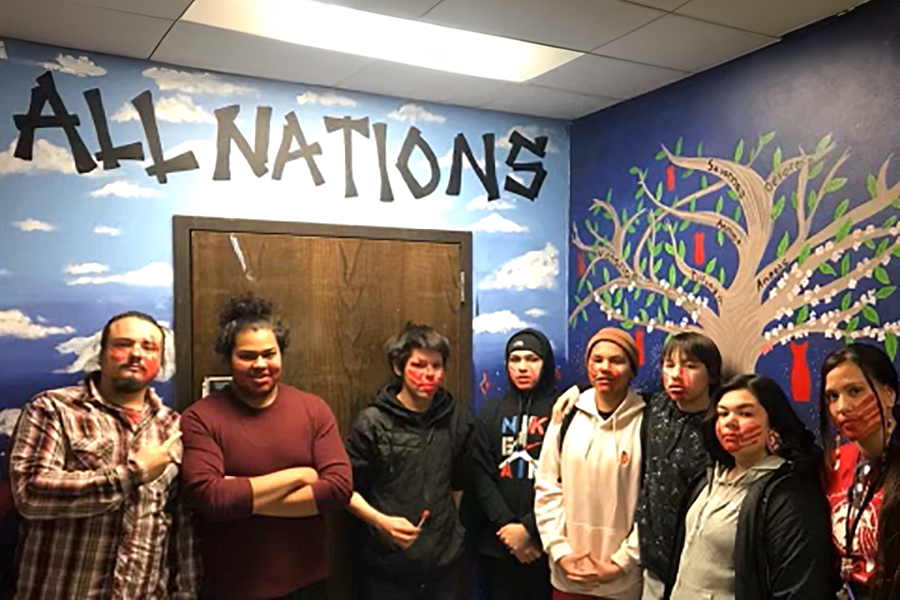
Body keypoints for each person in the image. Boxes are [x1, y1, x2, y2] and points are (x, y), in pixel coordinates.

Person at [9, 311, 199, 599]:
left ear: (159, 362)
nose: (136, 354)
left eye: (149, 347)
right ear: (101, 354)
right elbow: (31, 495)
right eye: (124, 344)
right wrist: (132, 474)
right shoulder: (53, 408)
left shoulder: (173, 427)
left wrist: (186, 592)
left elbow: (180, 527)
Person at [180, 294, 352, 600]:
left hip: (307, 585)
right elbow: (210, 499)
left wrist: (239, 497)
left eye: (269, 354)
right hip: (231, 588)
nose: (260, 364)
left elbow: (338, 490)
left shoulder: (313, 409)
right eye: (247, 356)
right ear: (229, 358)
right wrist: (299, 475)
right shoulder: (200, 417)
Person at [552, 332, 722, 599]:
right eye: (669, 365)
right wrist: (575, 393)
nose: (677, 375)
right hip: (653, 569)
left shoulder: (721, 427)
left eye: (690, 366)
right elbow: (609, 392)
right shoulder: (656, 409)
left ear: (711, 374)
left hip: (700, 568)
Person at [668, 374, 834, 599]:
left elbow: (798, 588)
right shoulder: (708, 479)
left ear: (772, 425)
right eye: (723, 413)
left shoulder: (789, 495)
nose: (729, 422)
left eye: (745, 413)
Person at [345, 322, 472, 600]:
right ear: (399, 367)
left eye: (436, 366)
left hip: (444, 565)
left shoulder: (456, 418)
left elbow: (459, 482)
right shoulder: (372, 422)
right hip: (387, 567)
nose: (428, 374)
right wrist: (381, 522)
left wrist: (452, 529)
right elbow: (344, 489)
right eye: (419, 365)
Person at [535, 327, 645, 600]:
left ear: (631, 368)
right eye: (597, 360)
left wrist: (623, 561)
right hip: (567, 576)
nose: (604, 368)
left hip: (622, 582)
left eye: (616, 360)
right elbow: (547, 487)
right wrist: (560, 551)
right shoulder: (567, 415)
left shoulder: (647, 422)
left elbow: (652, 504)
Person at [472, 328, 557, 600]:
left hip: (546, 543)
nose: (522, 367)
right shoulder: (489, 413)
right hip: (499, 544)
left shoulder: (563, 412)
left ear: (546, 364)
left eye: (532, 359)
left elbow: (569, 479)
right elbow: (481, 475)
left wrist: (529, 529)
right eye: (515, 359)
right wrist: (508, 528)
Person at [820, 343, 900, 599]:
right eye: (832, 396)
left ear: (889, 395)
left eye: (855, 391)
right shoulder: (834, 464)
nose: (842, 407)